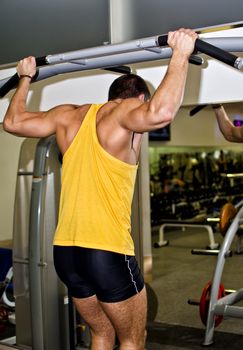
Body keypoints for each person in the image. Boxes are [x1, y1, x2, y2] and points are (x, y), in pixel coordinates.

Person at [3, 28, 197, 350]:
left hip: (66, 252)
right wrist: (181, 54)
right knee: (134, 340)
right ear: (139, 99)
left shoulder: (69, 116)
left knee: (101, 334)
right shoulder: (124, 112)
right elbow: (161, 112)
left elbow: (12, 122)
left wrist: (25, 77)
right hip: (107, 251)